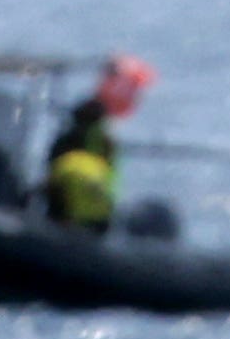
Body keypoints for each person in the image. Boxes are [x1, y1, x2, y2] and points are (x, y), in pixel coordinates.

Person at [46, 55, 155, 230]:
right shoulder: (93, 130)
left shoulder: (95, 126)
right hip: (78, 221)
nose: (136, 97)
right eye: (133, 89)